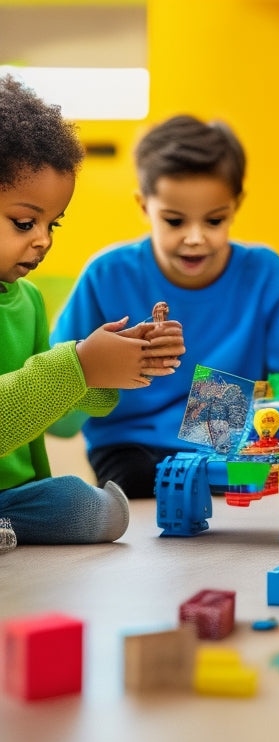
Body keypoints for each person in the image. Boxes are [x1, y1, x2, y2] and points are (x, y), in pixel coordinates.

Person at [51, 115, 279, 498]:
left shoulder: (267, 274)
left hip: (229, 441)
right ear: (144, 206)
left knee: (239, 487)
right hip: (131, 443)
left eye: (215, 220)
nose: (196, 238)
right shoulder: (108, 274)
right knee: (136, 487)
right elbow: (61, 375)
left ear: (236, 206)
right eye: (174, 221)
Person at [0, 74, 185, 546]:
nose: (42, 240)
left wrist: (104, 367)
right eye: (24, 222)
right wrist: (77, 365)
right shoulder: (110, 269)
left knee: (93, 510)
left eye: (50, 223)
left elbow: (56, 420)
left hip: (11, 497)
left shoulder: (29, 301)